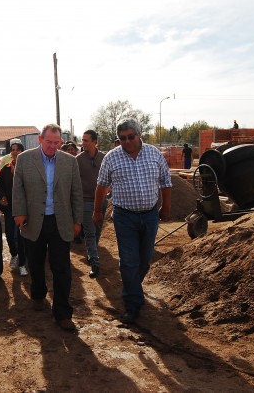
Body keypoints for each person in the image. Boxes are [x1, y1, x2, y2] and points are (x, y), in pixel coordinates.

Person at [93, 119, 172, 324]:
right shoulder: (111, 158)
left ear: (140, 134)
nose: (126, 142)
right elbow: (101, 187)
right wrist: (97, 212)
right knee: (129, 261)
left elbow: (166, 182)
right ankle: (133, 303)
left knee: (144, 260)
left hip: (150, 215)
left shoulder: (154, 154)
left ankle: (133, 288)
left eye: (131, 137)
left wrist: (166, 207)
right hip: (124, 216)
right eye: (122, 138)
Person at [12, 123, 83, 331]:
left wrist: (77, 220)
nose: (53, 146)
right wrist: (19, 213)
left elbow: (76, 193)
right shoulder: (25, 159)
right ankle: (38, 293)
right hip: (33, 221)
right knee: (35, 262)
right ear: (40, 140)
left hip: (60, 221)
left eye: (56, 142)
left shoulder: (70, 162)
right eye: (49, 142)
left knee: (61, 267)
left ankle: (62, 313)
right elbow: (18, 190)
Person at [76, 130, 106, 278]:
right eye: (83, 140)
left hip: (102, 201)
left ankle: (92, 253)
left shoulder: (104, 158)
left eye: (86, 140)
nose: (83, 143)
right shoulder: (78, 159)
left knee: (98, 229)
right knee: (89, 232)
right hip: (85, 201)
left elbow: (112, 176)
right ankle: (94, 262)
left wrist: (110, 189)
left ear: (95, 141)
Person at [0, 141, 27, 276]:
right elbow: (1, 186)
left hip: (23, 208)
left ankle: (22, 263)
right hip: (9, 208)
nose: (15, 152)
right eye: (13, 149)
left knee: (21, 236)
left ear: (22, 152)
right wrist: (3, 196)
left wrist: (17, 173)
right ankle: (14, 255)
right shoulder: (4, 169)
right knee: (10, 234)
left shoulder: (28, 169)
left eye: (18, 149)